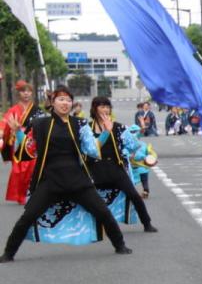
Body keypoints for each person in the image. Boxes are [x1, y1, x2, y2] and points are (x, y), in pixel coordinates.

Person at [1, 87, 131, 261]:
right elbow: (29, 150)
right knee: (28, 217)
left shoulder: (79, 124)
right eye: (61, 99)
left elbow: (92, 150)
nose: (65, 103)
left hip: (77, 181)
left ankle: (120, 245)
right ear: (52, 102)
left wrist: (107, 132)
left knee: (103, 212)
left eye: (68, 100)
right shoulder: (40, 124)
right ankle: (8, 253)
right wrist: (18, 132)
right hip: (50, 181)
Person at [86, 96, 157, 232]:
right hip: (94, 169)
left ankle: (147, 223)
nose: (105, 109)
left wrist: (128, 151)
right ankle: (95, 227)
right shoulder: (87, 128)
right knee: (91, 200)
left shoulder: (118, 127)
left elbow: (134, 145)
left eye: (107, 107)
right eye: (102, 106)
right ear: (94, 109)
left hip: (115, 167)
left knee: (134, 195)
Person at [2, 80, 40, 205]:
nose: (26, 94)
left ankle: (32, 193)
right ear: (19, 93)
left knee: (33, 168)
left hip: (32, 142)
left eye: (29, 91)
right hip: (17, 142)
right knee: (19, 170)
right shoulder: (13, 110)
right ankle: (20, 195)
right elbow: (5, 124)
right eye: (23, 91)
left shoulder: (36, 110)